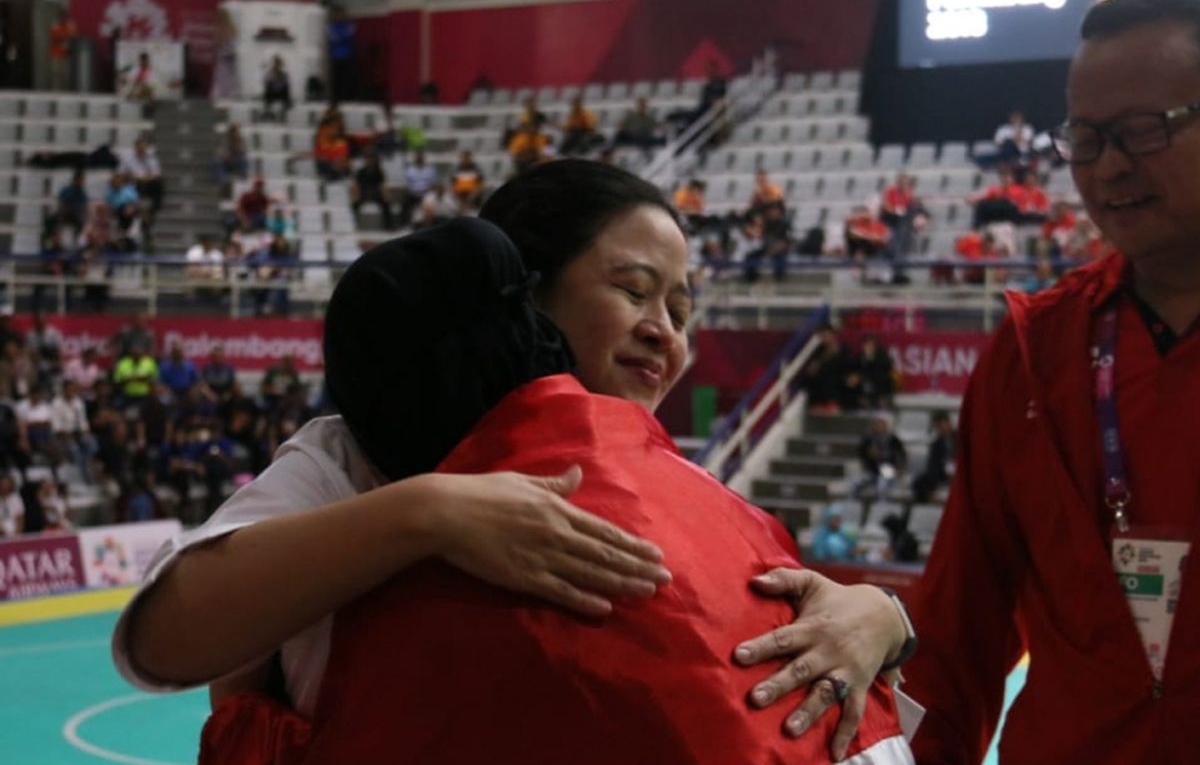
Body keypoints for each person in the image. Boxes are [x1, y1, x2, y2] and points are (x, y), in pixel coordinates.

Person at [116, 161, 913, 758]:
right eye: (634, 291)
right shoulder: (353, 461)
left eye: (680, 308)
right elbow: (164, 643)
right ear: (521, 295)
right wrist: (428, 514)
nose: (665, 332)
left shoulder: (684, 487)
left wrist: (879, 617)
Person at [908, 0, 1200, 763]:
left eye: (1143, 131)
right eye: (1086, 137)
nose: (1107, 167)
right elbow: (957, 629)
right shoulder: (1036, 354)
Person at [854, 414, 907, 501]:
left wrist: (899, 468)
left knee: (882, 484)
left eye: (880, 424)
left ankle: (881, 508)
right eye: (875, 424)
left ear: (886, 426)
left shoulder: (893, 439)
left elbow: (901, 456)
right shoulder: (868, 439)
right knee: (854, 483)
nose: (877, 427)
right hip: (872, 470)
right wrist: (868, 453)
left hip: (889, 469)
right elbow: (861, 454)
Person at [910, 410, 955, 504]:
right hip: (942, 473)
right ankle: (929, 500)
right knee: (919, 481)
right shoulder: (936, 444)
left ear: (949, 424)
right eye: (938, 427)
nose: (941, 429)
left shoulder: (961, 438)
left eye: (943, 426)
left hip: (960, 470)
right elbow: (933, 464)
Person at [48, 9, 77, 92]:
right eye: (62, 16)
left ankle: (66, 91)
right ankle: (55, 90)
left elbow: (73, 38)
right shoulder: (55, 24)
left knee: (66, 74)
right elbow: (54, 37)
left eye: (65, 16)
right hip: (56, 54)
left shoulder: (70, 25)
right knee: (55, 74)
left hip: (66, 55)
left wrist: (64, 38)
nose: (63, 18)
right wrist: (64, 37)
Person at [262, 56, 292, 121]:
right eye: (276, 64)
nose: (277, 66)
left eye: (278, 64)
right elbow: (266, 82)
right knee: (269, 87)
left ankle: (284, 111)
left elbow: (285, 84)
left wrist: (279, 83)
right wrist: (274, 78)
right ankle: (268, 112)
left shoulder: (283, 74)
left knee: (286, 87)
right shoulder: (270, 73)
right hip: (272, 93)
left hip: (281, 93)